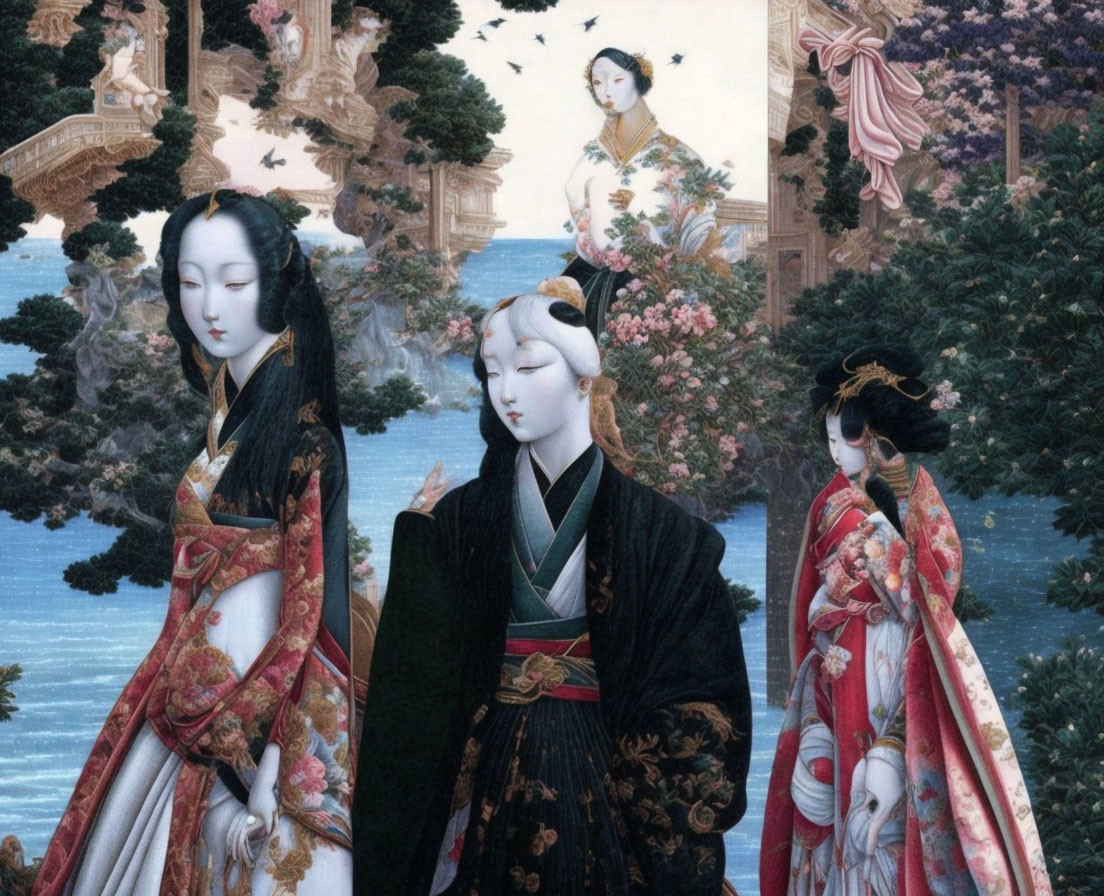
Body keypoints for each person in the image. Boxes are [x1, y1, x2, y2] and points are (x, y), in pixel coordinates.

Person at [353, 285, 751, 895]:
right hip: (496, 767)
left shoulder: (666, 536)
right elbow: (417, 694)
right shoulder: (462, 520)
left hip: (607, 772)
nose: (506, 391)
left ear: (584, 377)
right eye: (491, 372)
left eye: (529, 367)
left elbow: (700, 690)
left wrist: (639, 782)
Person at [33, 190, 354, 896]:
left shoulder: (305, 438)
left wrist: (266, 765)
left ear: (274, 285)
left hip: (260, 692)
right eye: (190, 280)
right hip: (189, 673)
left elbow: (307, 617)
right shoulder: (224, 416)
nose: (210, 305)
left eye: (234, 283)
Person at [759, 344, 1052, 896]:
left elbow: (935, 580)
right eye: (824, 437)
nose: (831, 451)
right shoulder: (828, 499)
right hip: (836, 661)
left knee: (886, 814)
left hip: (893, 655)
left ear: (869, 435)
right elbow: (808, 598)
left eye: (838, 437)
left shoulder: (914, 492)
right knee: (830, 798)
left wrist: (885, 538)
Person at [562, 47, 726, 336]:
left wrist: (639, 208)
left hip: (654, 279)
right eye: (598, 83)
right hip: (593, 272)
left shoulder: (676, 154)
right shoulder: (594, 154)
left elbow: (698, 219)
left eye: (617, 79)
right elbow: (575, 198)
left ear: (638, 80)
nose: (606, 91)